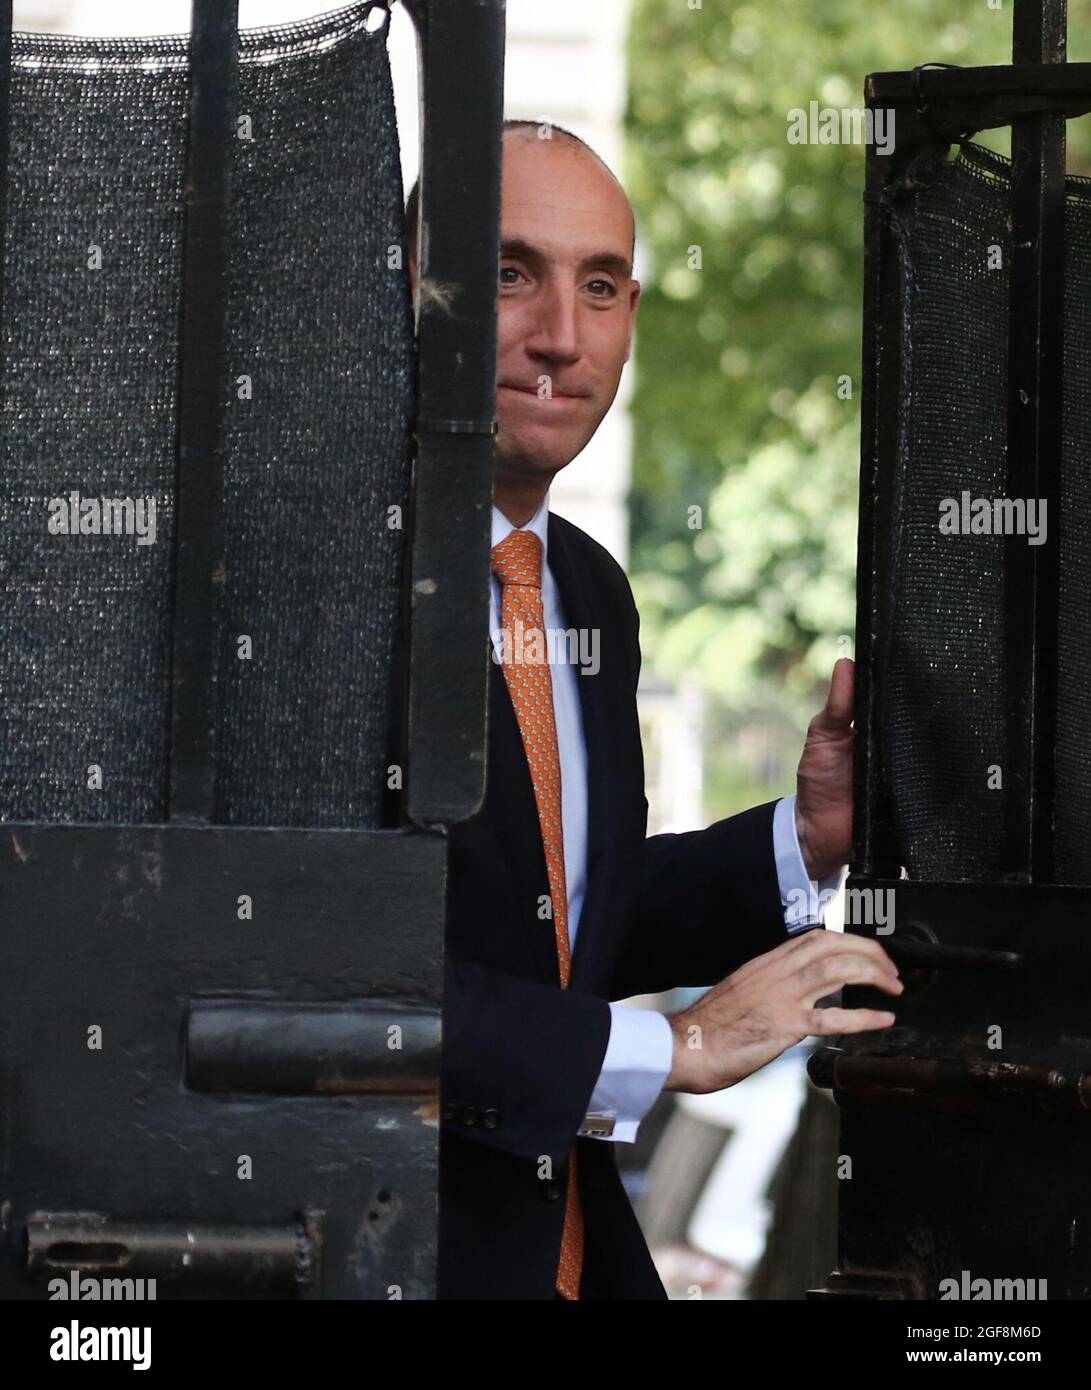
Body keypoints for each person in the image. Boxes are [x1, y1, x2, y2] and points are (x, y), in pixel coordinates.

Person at [403, 119, 902, 1300]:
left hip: (570, 1249)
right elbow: (310, 972)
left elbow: (563, 931)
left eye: (602, 285)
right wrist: (671, 1046)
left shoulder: (586, 589)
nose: (559, 337)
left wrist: (803, 837)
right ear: (406, 290)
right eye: (510, 271)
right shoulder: (310, 583)